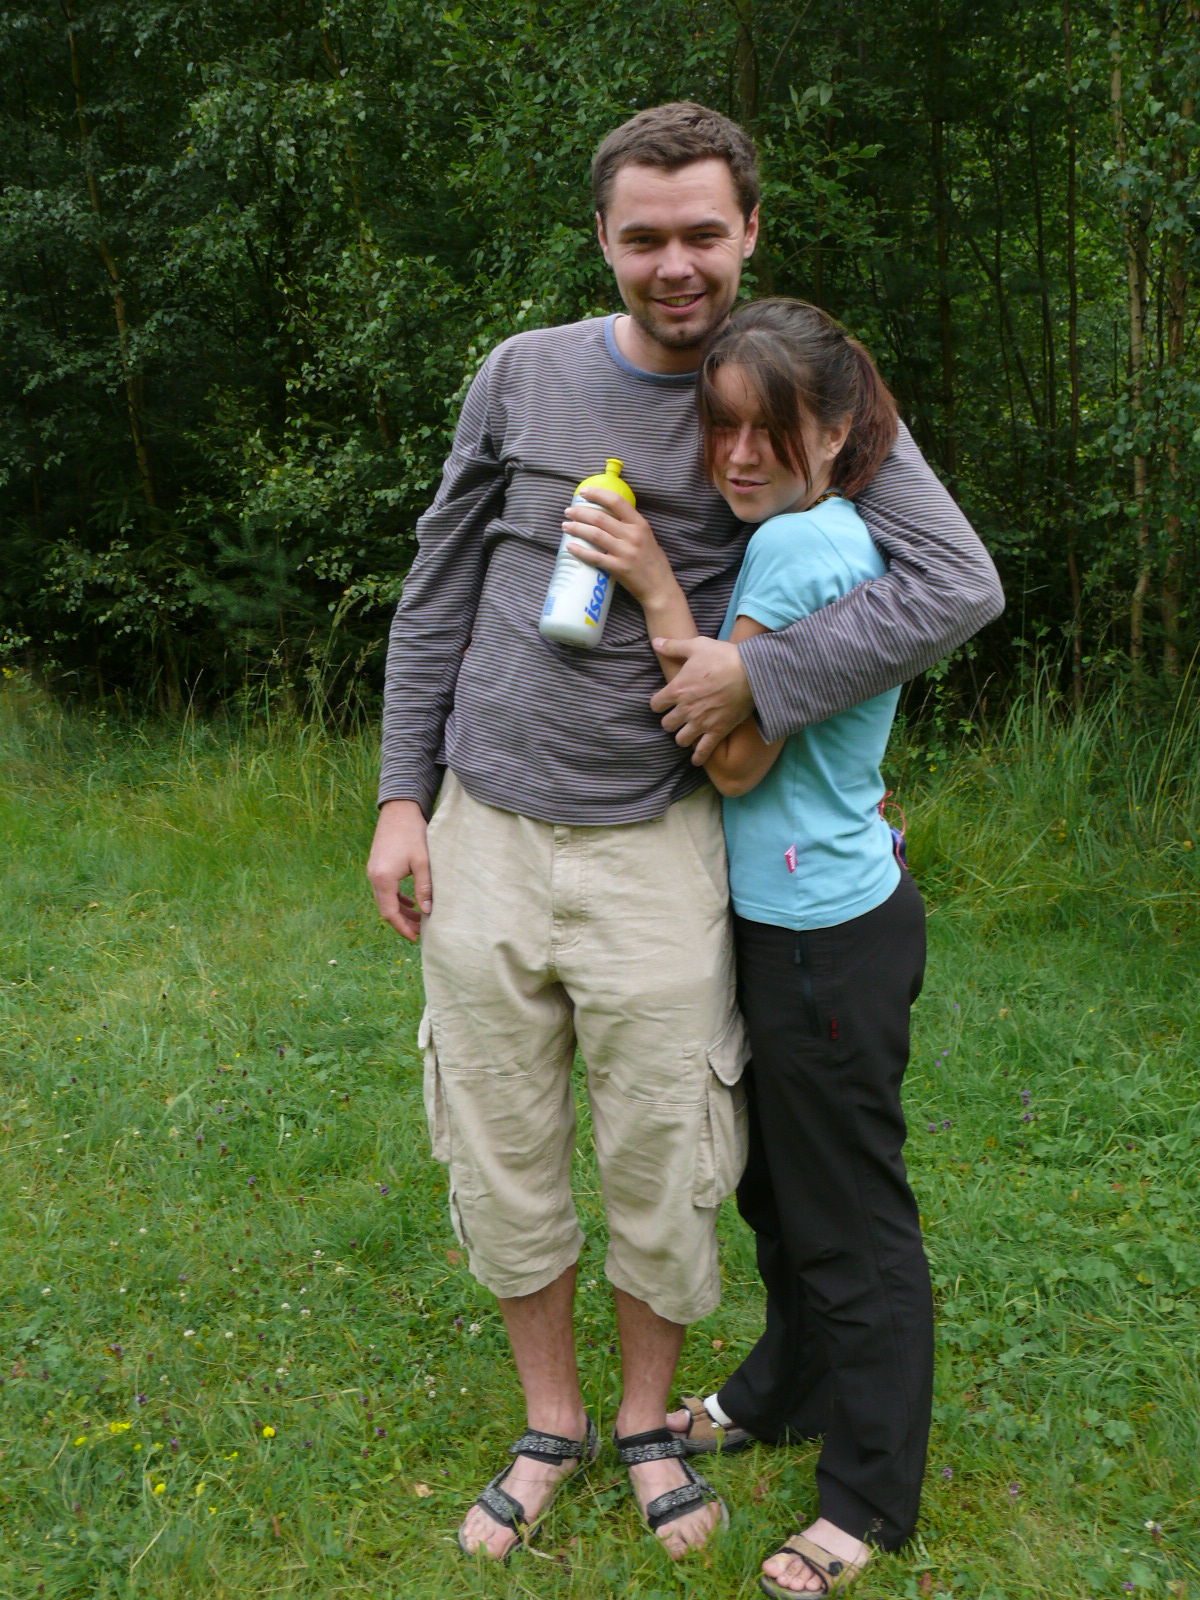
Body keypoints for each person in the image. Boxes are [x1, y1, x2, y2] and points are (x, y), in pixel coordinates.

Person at [366, 102, 1002, 1565]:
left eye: (704, 232)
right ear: (602, 237)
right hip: (485, 825)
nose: (675, 263)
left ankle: (650, 1423)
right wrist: (402, 794)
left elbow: (957, 585)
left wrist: (763, 678)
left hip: (663, 838)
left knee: (668, 1145)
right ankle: (552, 1422)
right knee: (504, 1141)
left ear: (750, 231)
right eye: (643, 236)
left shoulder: (797, 392)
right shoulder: (522, 374)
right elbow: (437, 588)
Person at [564, 296, 932, 1594]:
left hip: (822, 932)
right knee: (781, 1190)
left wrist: (657, 586)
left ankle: (870, 1495)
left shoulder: (791, 549)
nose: (734, 457)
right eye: (719, 427)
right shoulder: (833, 530)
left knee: (848, 1220)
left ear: (834, 431)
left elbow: (731, 763)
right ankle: (789, 1386)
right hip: (808, 916)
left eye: (766, 431)